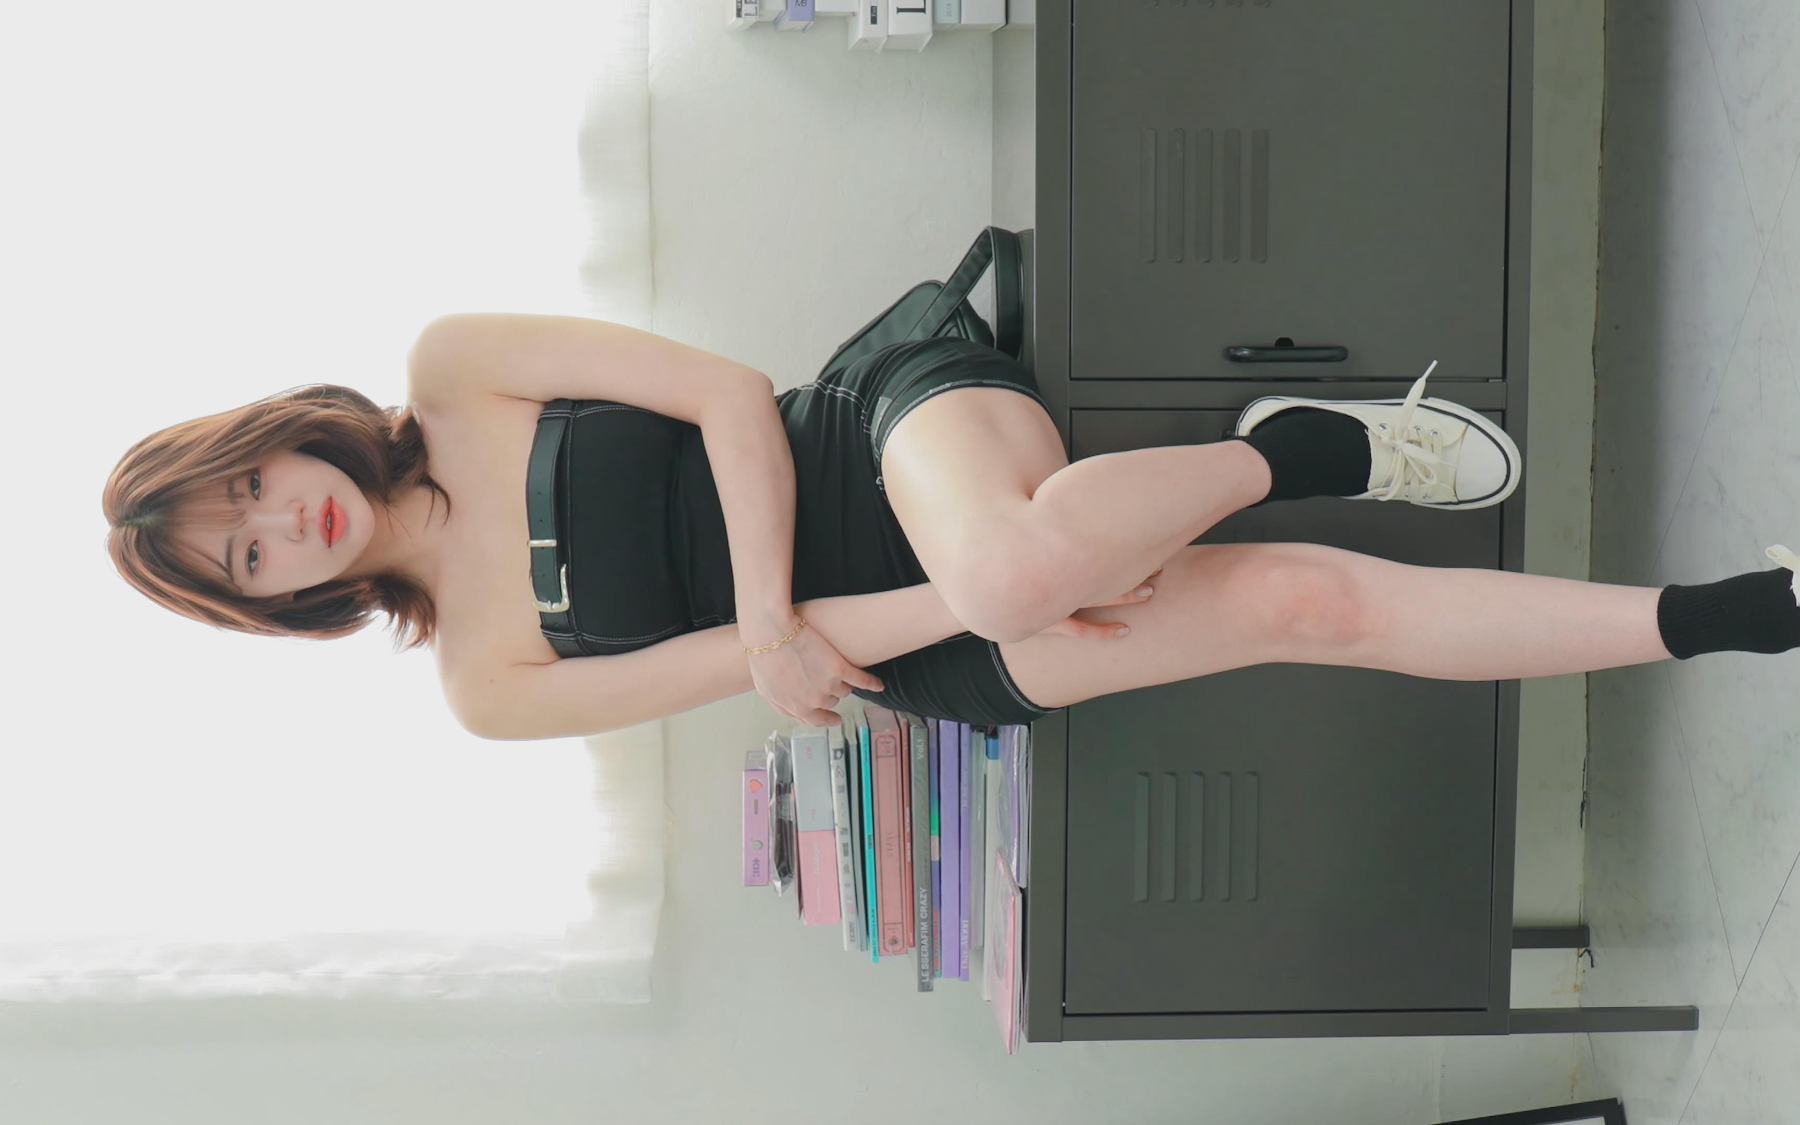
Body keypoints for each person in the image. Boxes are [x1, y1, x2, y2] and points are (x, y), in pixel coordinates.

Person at [102, 312, 1800, 741]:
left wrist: (775, 614)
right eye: (248, 554)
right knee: (1301, 611)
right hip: (908, 639)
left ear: (265, 437)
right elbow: (770, 667)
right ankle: (1723, 615)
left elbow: (728, 396)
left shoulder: (454, 370)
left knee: (1005, 559)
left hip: (873, 436)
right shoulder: (486, 682)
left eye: (244, 485)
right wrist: (925, 619)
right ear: (273, 602)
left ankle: (1284, 451)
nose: (281, 519)